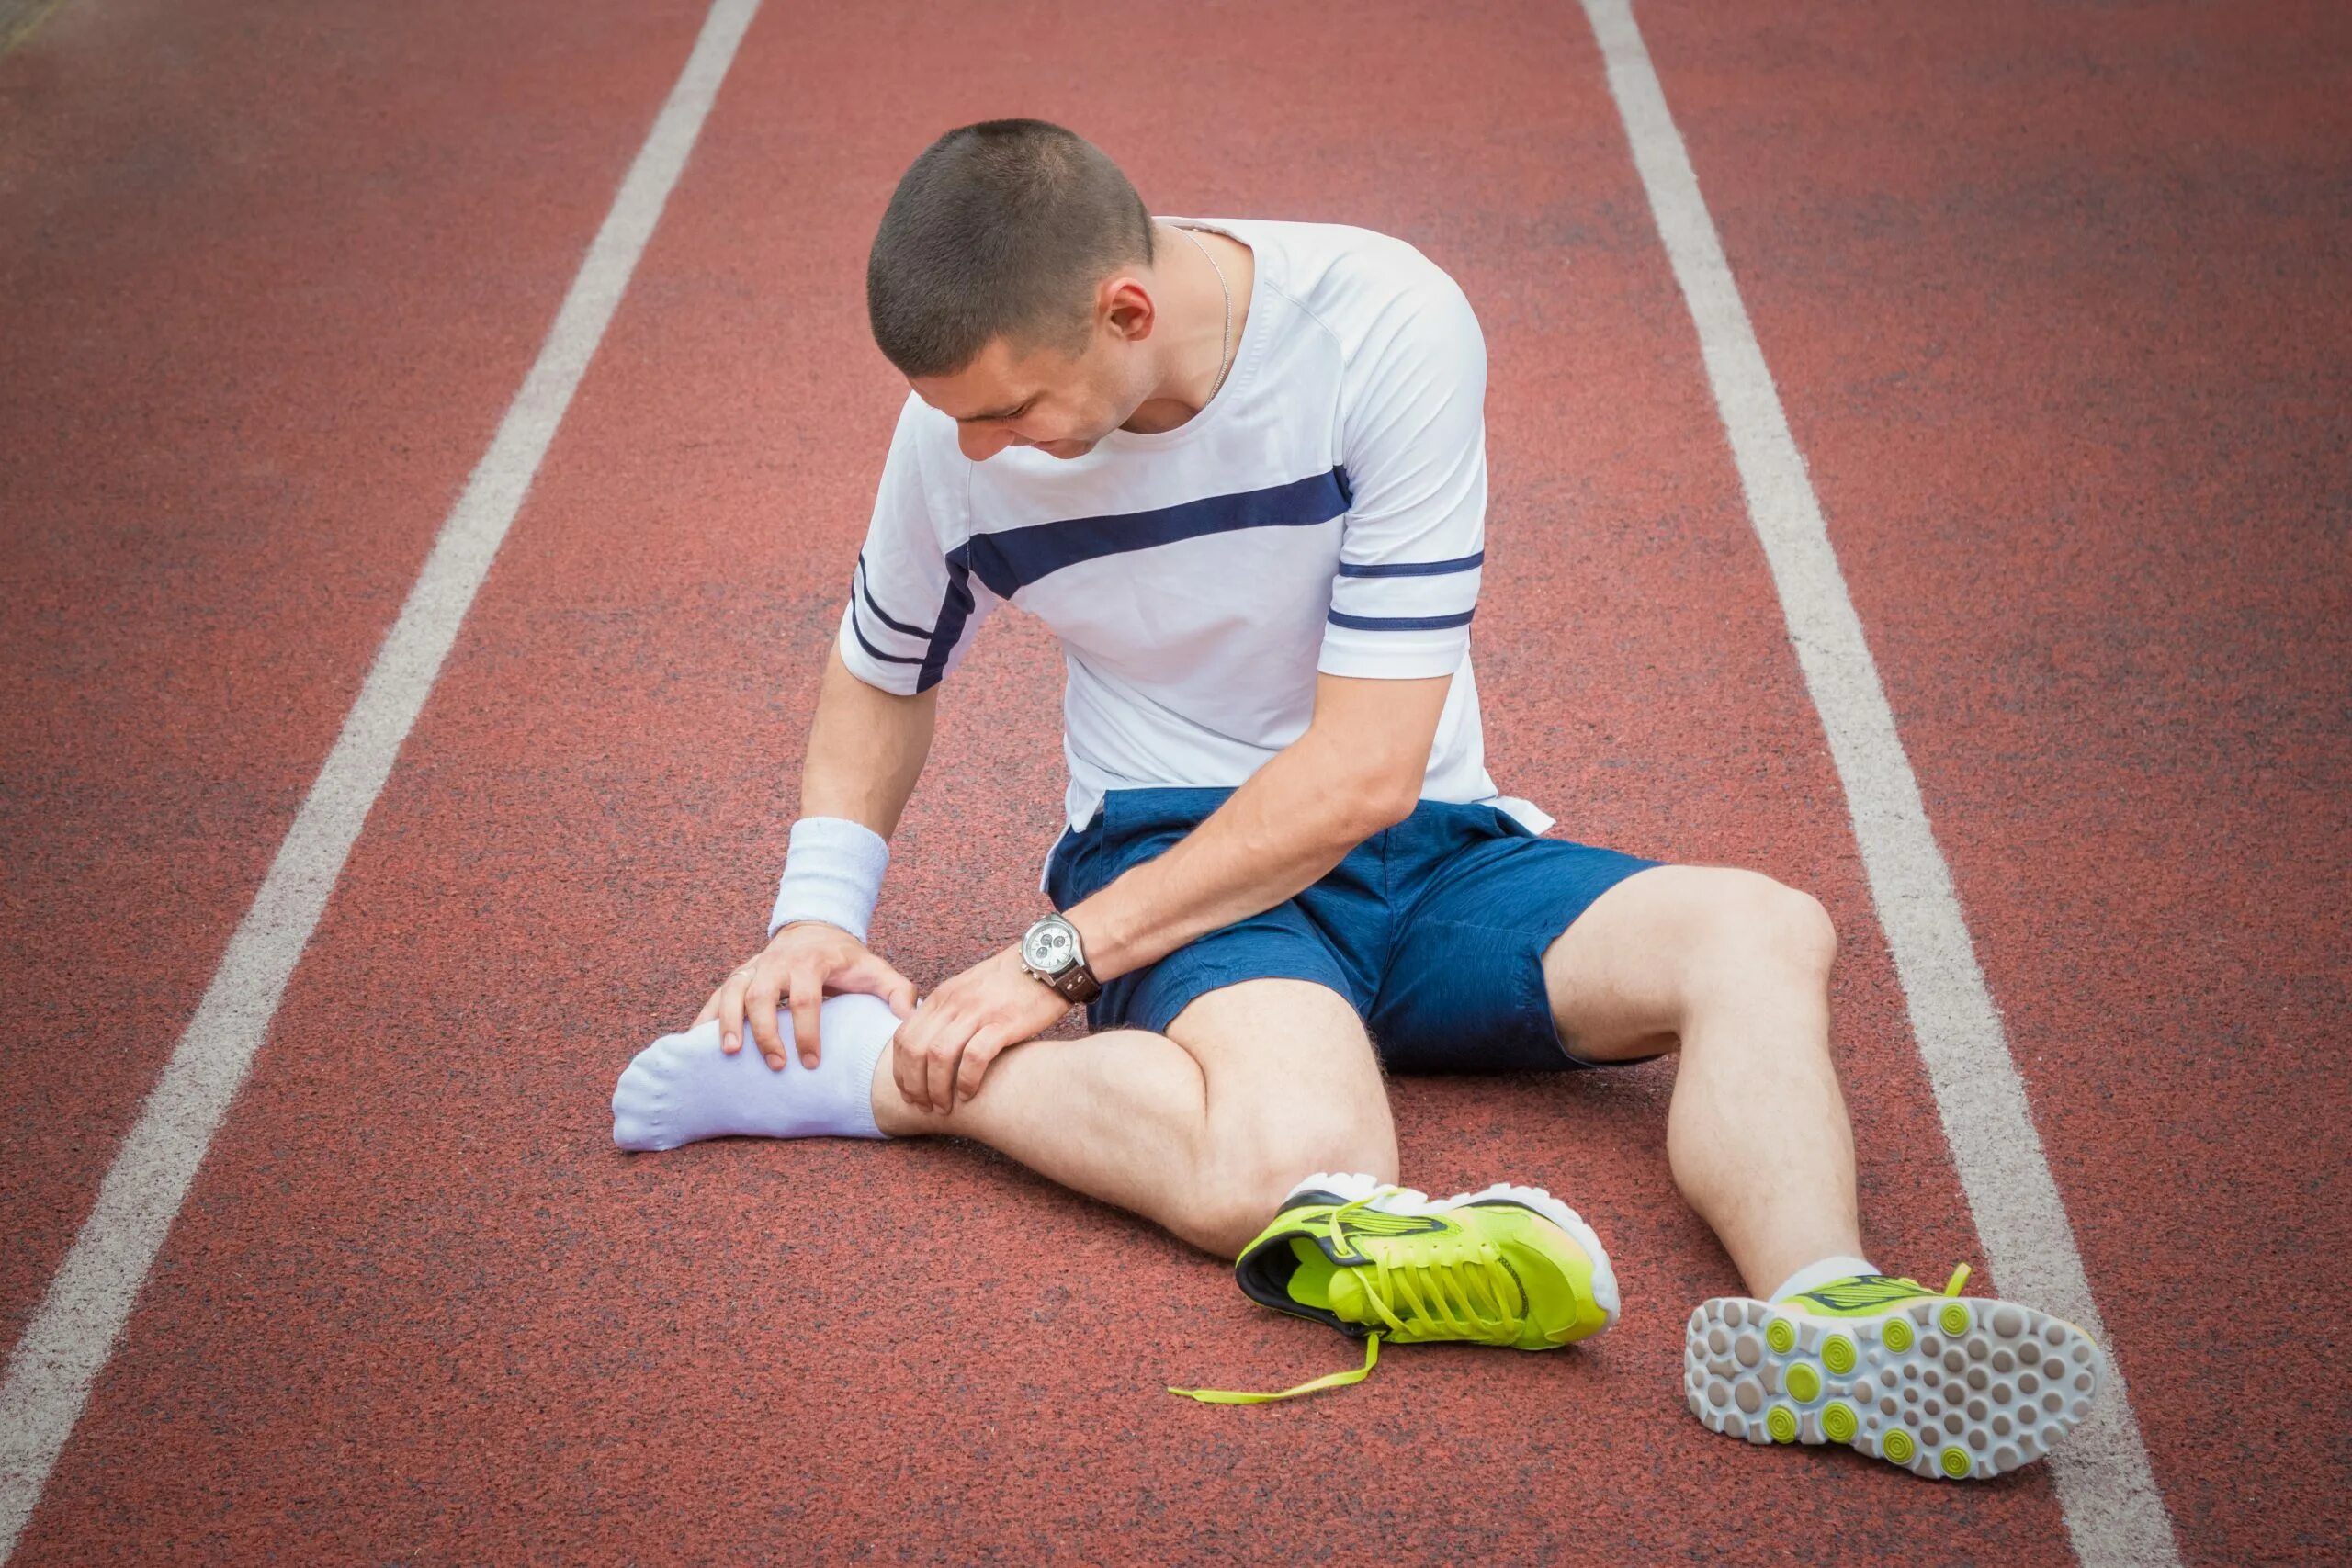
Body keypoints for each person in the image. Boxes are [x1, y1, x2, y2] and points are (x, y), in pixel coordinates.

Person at [612, 118, 2102, 1474]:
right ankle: (882, 1073)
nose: (982, 451)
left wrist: (1044, 962)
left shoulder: (1380, 324)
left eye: (1013, 409)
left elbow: (1367, 770)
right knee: (1297, 1174)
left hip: (1424, 840)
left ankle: (1822, 1318)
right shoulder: (954, 437)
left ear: (1125, 311)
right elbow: (885, 665)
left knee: (1762, 931)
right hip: (1172, 838)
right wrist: (818, 916)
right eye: (960, 421)